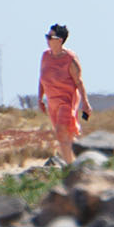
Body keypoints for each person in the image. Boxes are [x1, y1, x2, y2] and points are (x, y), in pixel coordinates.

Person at [37, 24, 92, 159]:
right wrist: (40, 98)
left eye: (50, 37)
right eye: (47, 36)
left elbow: (79, 82)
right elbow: (42, 78)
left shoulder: (70, 59)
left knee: (61, 132)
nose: (47, 39)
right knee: (66, 136)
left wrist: (85, 102)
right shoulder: (45, 56)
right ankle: (81, 159)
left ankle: (70, 166)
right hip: (52, 102)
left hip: (67, 100)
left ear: (60, 40)